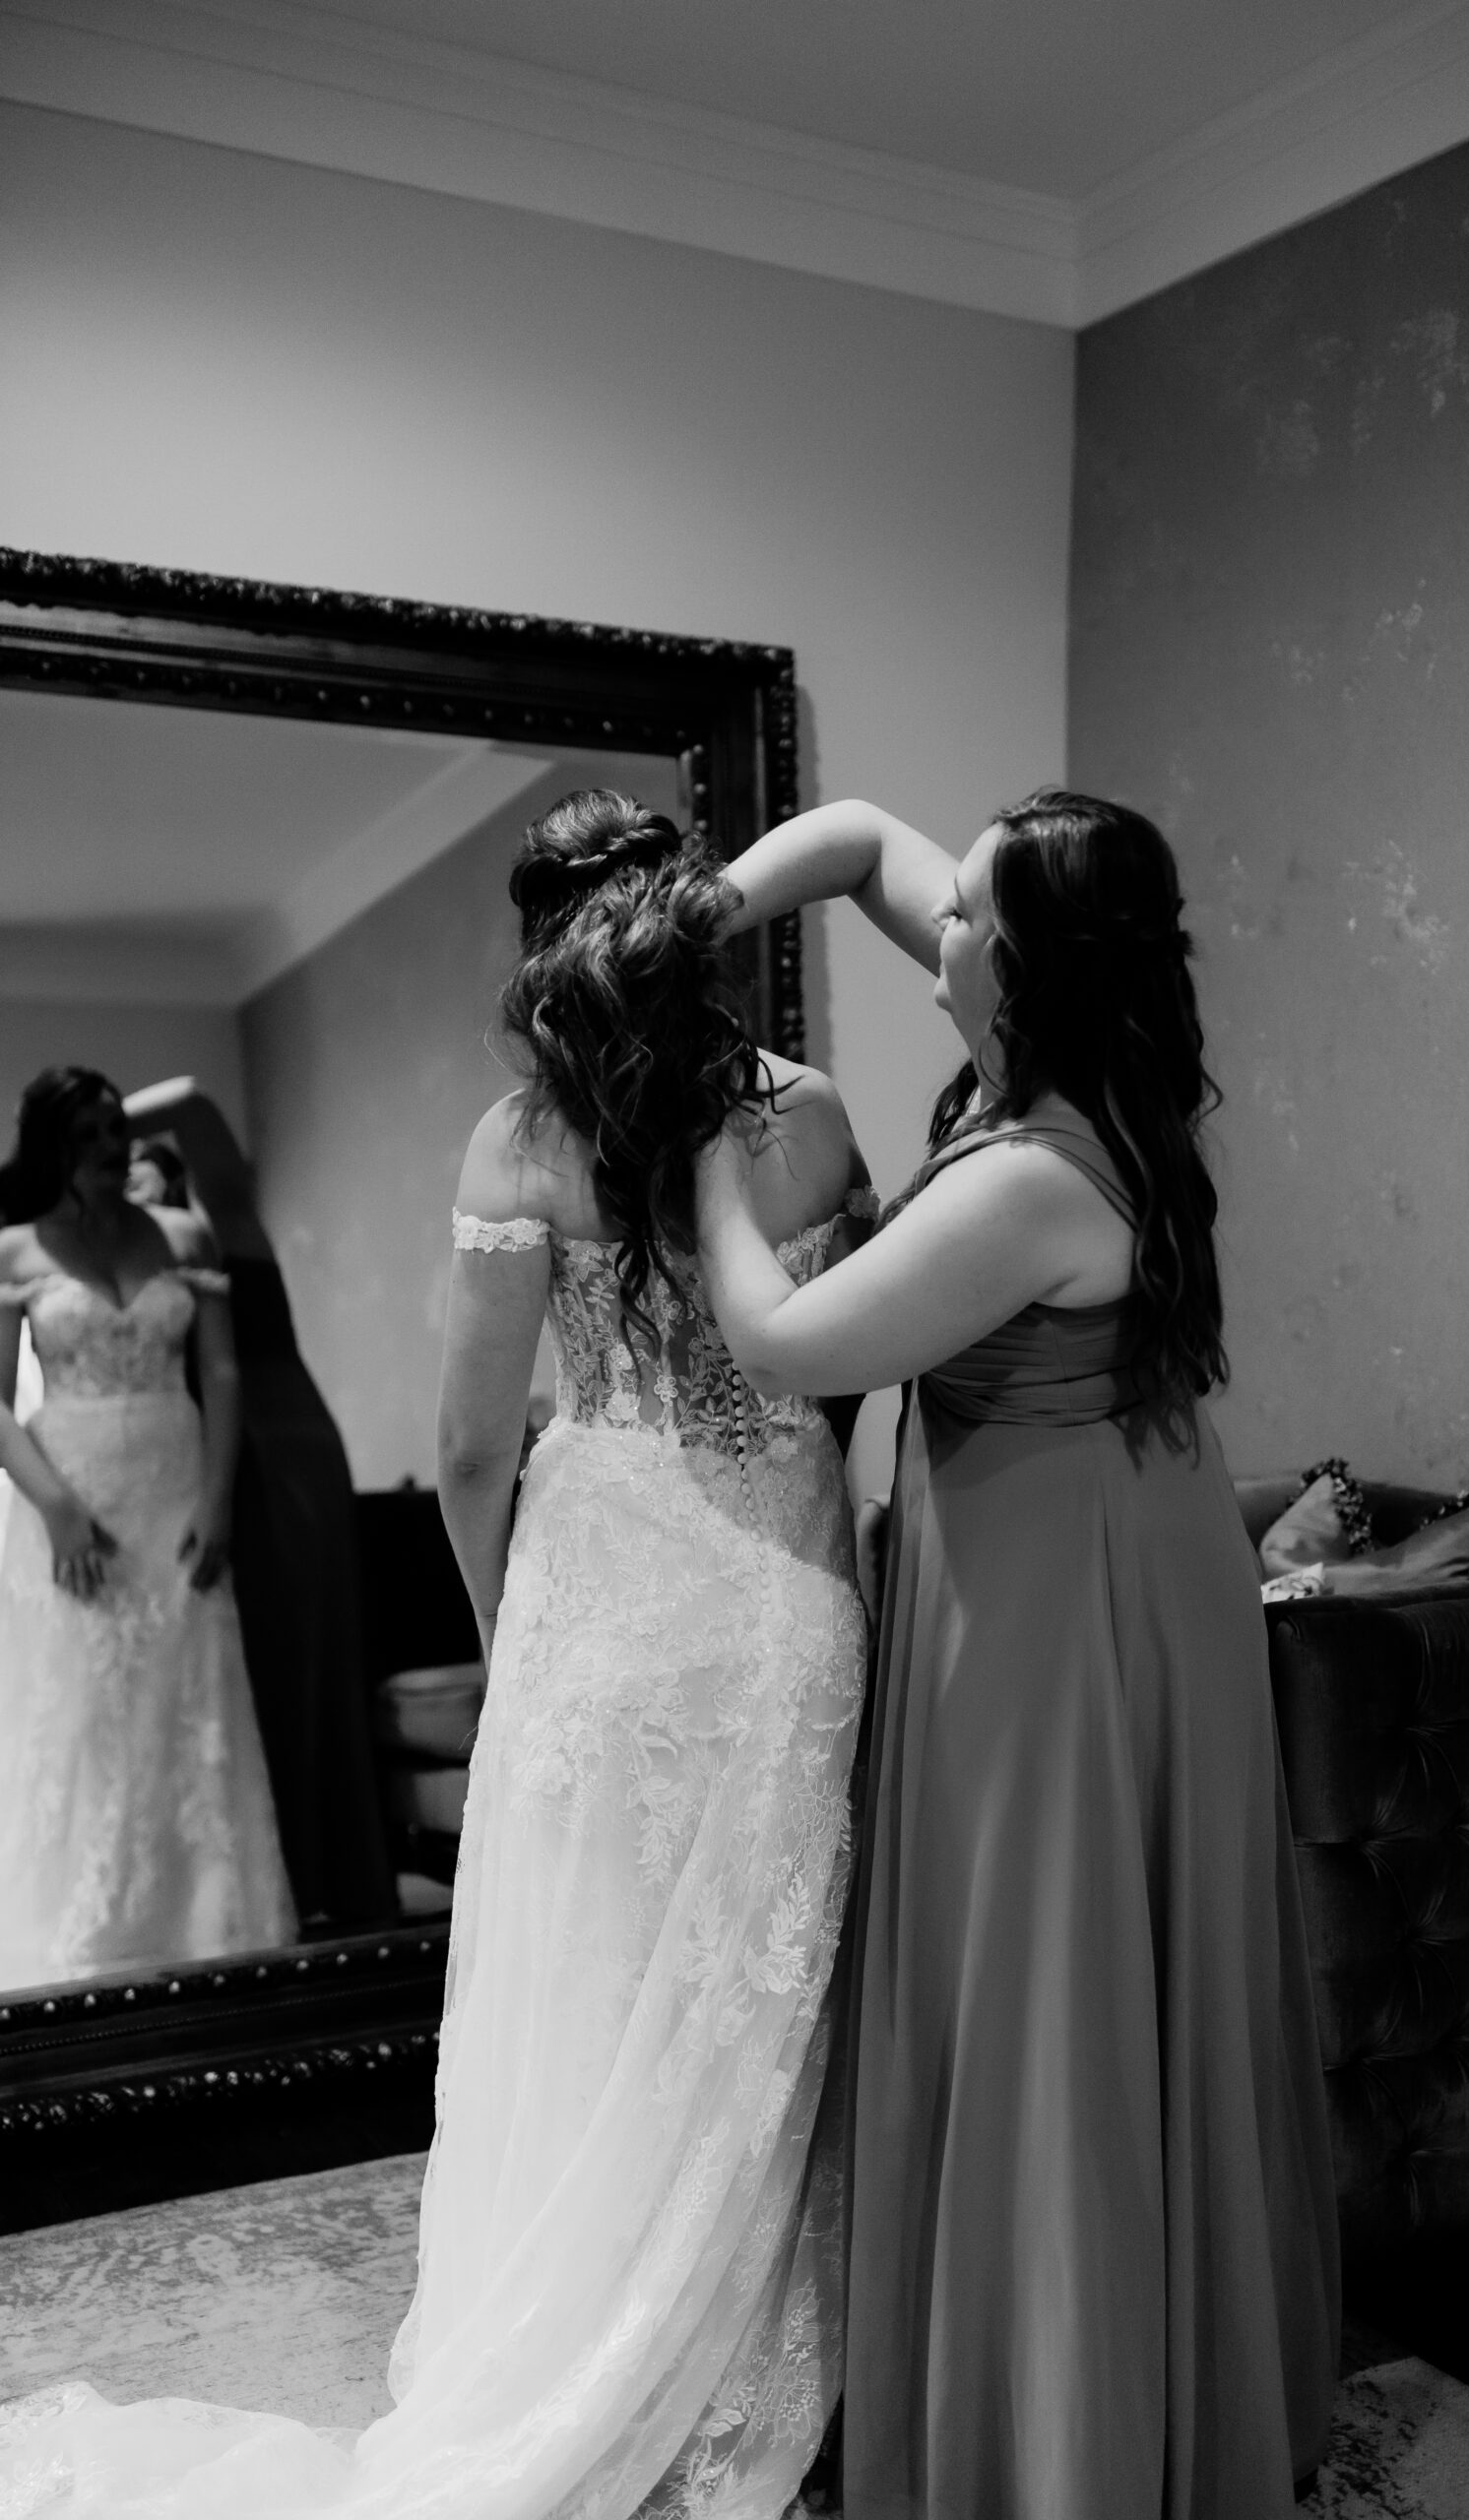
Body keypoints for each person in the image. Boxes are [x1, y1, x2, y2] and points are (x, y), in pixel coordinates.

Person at [0, 791, 873, 2517]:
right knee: (761, 1994)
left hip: (604, 1584)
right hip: (783, 1581)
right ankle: (765, 2360)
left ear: (544, 942)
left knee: (596, 1992)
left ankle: (597, 2342)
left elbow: (475, 1449)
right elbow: (836, 1368)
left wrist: (507, 1625)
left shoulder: (519, 1142)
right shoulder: (810, 1114)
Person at [697, 790, 1342, 2520]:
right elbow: (852, 839)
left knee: (1047, 1986)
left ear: (1036, 961)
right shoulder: (1083, 1061)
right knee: (1071, 1970)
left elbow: (782, 1344)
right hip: (1106, 1539)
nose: (940, 935)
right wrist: (697, 924)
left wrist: (697, 1151)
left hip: (1063, 1601)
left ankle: (1065, 2449)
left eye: (968, 919)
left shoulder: (1035, 1181)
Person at [0, 1067, 295, 1987]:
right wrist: (55, 1509)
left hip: (175, 1485)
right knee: (83, 1707)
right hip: (71, 1493)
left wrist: (217, 1502)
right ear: (51, 1146)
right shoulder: (15, 1250)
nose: (107, 1148)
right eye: (85, 1134)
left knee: (187, 1692)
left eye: (114, 1129)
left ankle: (206, 1922)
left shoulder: (183, 1235)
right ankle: (79, 1931)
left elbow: (225, 1375)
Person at [122, 1077, 394, 1930]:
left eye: (133, 1167)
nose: (118, 1180)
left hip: (281, 1452)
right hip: (201, 1463)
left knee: (300, 1661)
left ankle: (331, 1882)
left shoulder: (225, 1225)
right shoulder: (124, 1259)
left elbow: (192, 1102)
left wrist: (78, 1127)